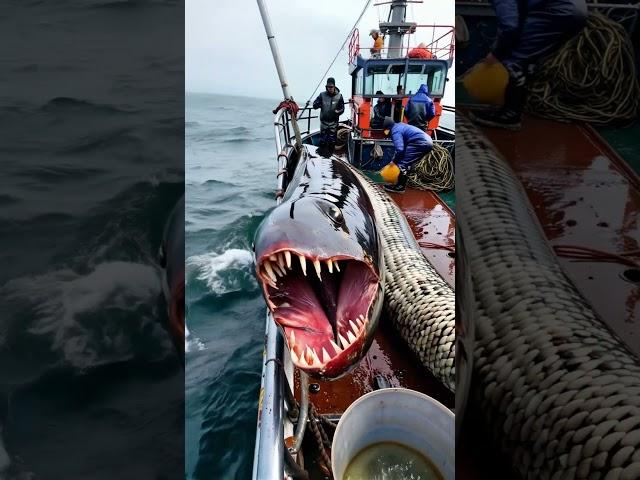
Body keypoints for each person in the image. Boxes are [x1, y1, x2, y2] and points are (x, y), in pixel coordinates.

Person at [470, 0, 587, 130]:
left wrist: (496, 54)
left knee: (515, 59)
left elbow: (510, 25)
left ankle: (509, 116)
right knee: (528, 57)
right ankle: (513, 106)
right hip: (575, 10)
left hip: (559, 10)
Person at [382, 116, 432, 193]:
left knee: (403, 163)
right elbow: (402, 148)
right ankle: (400, 183)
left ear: (388, 128)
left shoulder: (395, 131)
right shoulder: (399, 126)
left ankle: (400, 187)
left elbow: (400, 149)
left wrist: (394, 161)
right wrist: (394, 160)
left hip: (420, 142)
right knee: (406, 162)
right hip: (426, 141)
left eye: (385, 131)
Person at [312, 77, 345, 157]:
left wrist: (338, 112)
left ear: (334, 86)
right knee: (322, 140)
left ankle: (330, 156)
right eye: (328, 87)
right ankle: (322, 156)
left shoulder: (339, 96)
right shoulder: (322, 95)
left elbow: (342, 108)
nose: (330, 88)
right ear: (326, 87)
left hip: (333, 122)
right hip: (324, 122)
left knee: (332, 141)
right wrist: (317, 104)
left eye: (331, 87)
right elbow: (314, 105)